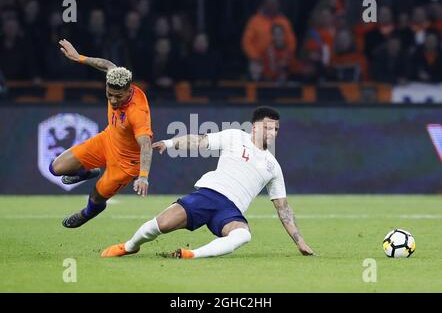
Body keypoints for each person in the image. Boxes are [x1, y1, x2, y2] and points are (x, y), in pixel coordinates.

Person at [101, 107, 315, 259]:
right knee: (160, 225)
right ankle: (129, 246)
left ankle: (191, 255)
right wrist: (169, 142)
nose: (272, 133)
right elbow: (199, 140)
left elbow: (283, 208)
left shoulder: (273, 166)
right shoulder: (235, 136)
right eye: (267, 127)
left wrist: (300, 242)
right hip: (208, 195)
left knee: (242, 235)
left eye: (276, 129)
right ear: (254, 127)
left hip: (230, 211)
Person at [49, 39, 153, 228]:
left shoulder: (138, 112)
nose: (113, 100)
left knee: (96, 197)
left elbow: (146, 144)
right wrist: (78, 57)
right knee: (55, 168)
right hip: (107, 140)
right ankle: (88, 172)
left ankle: (86, 214)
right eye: (109, 94)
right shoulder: (116, 77)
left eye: (118, 96)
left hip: (126, 163)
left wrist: (143, 176)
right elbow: (107, 65)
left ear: (129, 90)